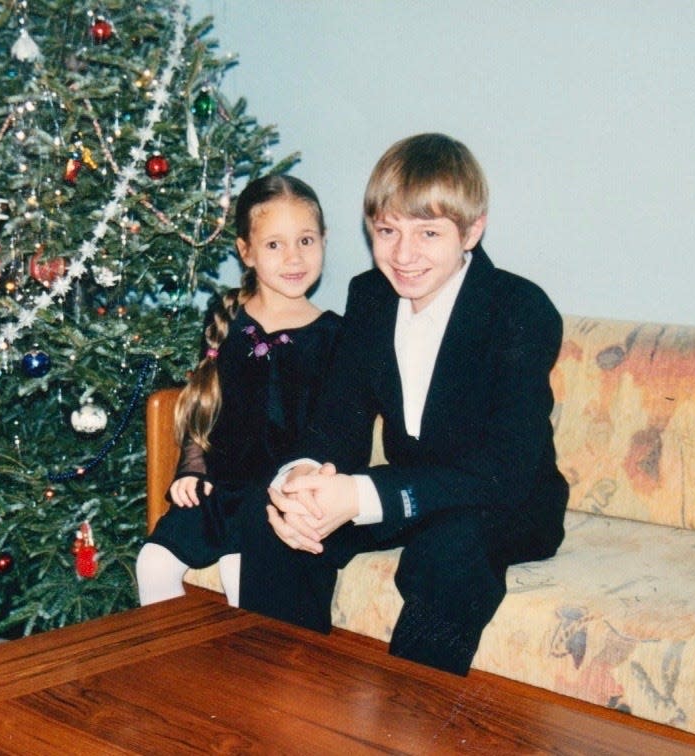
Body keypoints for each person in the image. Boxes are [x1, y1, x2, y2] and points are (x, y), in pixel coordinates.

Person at [239, 133, 568, 675]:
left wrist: (361, 494)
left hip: (506, 503)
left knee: (447, 548)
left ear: (473, 229)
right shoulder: (369, 297)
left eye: (428, 233)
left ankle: (408, 721)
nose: (403, 255)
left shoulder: (518, 309)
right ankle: (283, 695)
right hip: (412, 490)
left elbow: (502, 473)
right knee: (274, 518)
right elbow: (336, 425)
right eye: (387, 231)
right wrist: (300, 479)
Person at [136, 174, 341, 607]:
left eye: (306, 241)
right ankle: (171, 665)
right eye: (274, 245)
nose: (293, 257)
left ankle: (242, 672)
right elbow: (202, 404)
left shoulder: (334, 335)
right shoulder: (229, 318)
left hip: (276, 498)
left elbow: (334, 435)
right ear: (245, 251)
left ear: (324, 240)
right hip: (220, 490)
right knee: (152, 561)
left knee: (240, 571)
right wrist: (192, 469)